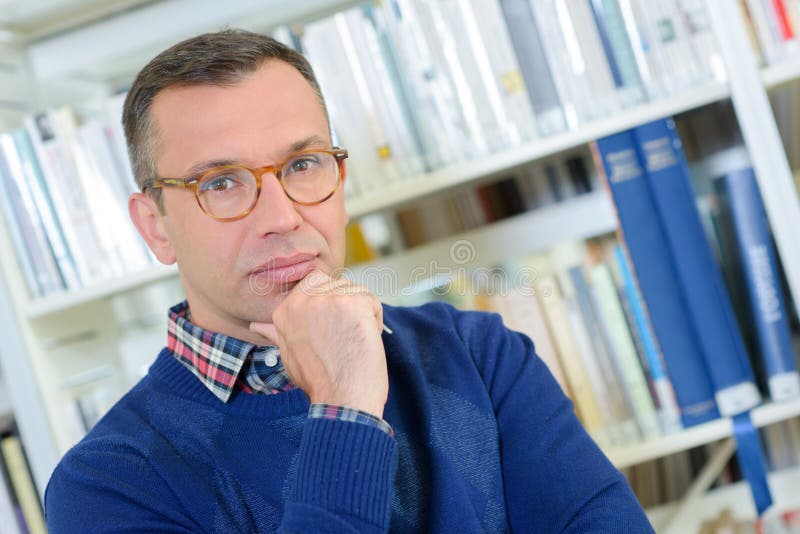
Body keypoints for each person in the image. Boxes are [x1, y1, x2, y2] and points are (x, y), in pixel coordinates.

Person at [44, 29, 653, 533]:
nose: (282, 218)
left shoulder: (478, 355)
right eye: (221, 183)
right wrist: (345, 410)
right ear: (155, 227)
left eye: (302, 165)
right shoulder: (108, 484)